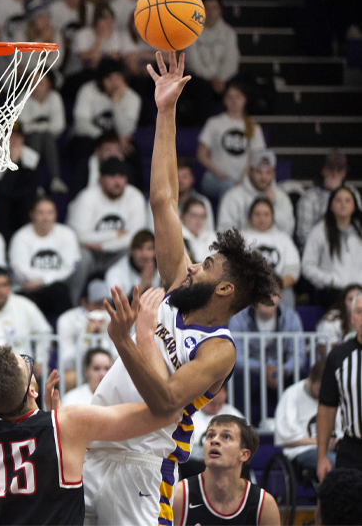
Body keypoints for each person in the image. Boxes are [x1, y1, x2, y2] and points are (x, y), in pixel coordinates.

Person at [85, 51, 277, 525]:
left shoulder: (219, 351)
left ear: (226, 290)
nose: (193, 266)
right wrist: (165, 110)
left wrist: (140, 337)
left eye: (207, 265)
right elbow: (163, 199)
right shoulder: (178, 283)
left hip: (140, 471)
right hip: (91, 442)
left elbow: (166, 400)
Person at [0, 345, 178, 525]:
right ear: (32, 391)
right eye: (27, 366)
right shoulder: (67, 424)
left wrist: (50, 417)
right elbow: (164, 413)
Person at [172, 415, 279, 525]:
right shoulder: (179, 496)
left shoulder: (264, 505)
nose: (214, 441)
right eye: (211, 435)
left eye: (226, 437)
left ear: (243, 454)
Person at [67, 157, 147, 278]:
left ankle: (130, 295)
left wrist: (103, 246)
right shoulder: (87, 198)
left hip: (118, 253)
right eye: (112, 177)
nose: (117, 182)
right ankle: (74, 297)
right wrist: (115, 234)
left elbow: (136, 238)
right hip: (90, 253)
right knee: (81, 257)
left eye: (121, 177)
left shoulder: (134, 197)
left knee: (138, 253)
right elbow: (78, 236)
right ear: (101, 179)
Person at [0, 266, 53, 370]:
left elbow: (44, 331)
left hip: (23, 370)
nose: (1, 291)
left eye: (5, 285)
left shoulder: (23, 304)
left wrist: (40, 361)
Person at [9, 197, 81, 314]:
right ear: (32, 215)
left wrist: (43, 281)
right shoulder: (21, 236)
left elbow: (69, 267)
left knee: (59, 290)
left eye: (50, 212)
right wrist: (44, 280)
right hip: (26, 288)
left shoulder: (67, 234)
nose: (45, 217)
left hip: (55, 286)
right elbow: (19, 269)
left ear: (56, 214)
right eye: (40, 213)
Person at [317, 292, 362, 480]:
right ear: (352, 318)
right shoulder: (339, 356)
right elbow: (327, 408)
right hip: (353, 451)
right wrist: (321, 457)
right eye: (359, 311)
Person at [197, 82, 265, 202]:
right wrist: (218, 172)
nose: (234, 101)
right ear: (224, 100)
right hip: (214, 178)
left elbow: (256, 157)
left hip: (244, 179)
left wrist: (243, 178)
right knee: (228, 186)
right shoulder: (214, 123)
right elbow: (201, 155)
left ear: (245, 99)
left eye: (238, 97)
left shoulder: (253, 126)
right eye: (230, 97)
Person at [183, 0, 240, 121]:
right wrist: (211, 78)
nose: (209, 12)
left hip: (223, 78)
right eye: (206, 8)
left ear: (220, 11)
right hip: (200, 78)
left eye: (213, 8)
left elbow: (231, 61)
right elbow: (193, 62)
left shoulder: (229, 33)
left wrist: (220, 78)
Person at [301, 186, 362, 302]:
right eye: (338, 200)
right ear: (331, 206)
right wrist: (330, 280)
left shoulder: (360, 231)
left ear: (354, 206)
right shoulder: (319, 231)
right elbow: (307, 265)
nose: (343, 204)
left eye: (348, 200)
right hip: (331, 292)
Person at [275, 360, 336, 473]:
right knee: (335, 461)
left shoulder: (332, 393)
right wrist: (320, 442)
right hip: (303, 450)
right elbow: (286, 438)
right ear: (310, 379)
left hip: (329, 447)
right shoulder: (291, 395)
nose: (324, 393)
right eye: (320, 389)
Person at [218, 150, 296, 236]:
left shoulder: (281, 197)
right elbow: (224, 232)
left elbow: (288, 231)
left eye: (268, 172)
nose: (264, 177)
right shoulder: (232, 197)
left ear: (274, 174)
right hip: (243, 246)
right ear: (249, 172)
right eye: (259, 172)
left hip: (274, 246)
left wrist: (273, 206)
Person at [241, 198, 301, 307]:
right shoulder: (240, 237)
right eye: (257, 214)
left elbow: (293, 269)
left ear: (272, 216)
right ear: (250, 216)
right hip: (249, 289)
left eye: (266, 214)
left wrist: (276, 287)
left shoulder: (283, 238)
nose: (262, 218)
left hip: (278, 289)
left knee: (287, 294)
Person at [57, 280, 116, 389]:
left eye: (107, 305)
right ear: (85, 303)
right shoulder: (68, 320)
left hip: (107, 370)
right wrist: (86, 338)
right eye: (98, 305)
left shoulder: (115, 318)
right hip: (79, 371)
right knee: (68, 377)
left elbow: (118, 357)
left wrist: (100, 338)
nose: (103, 310)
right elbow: (66, 363)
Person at [0, 126, 40, 239]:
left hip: (22, 204)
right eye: (9, 137)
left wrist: (16, 163)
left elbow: (30, 188)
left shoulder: (32, 158)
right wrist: (13, 163)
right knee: (1, 205)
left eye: (16, 137)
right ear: (1, 140)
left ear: (22, 140)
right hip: (3, 207)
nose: (13, 141)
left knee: (27, 203)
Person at [179, 387, 245, 479]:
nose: (216, 407)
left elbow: (246, 439)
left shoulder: (232, 413)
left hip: (226, 465)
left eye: (220, 403)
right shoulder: (189, 415)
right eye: (213, 403)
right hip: (195, 467)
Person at [296, 152, 360, 248]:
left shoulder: (352, 194)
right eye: (330, 169)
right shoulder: (309, 197)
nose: (334, 174)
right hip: (319, 251)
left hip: (348, 249)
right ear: (323, 170)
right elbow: (303, 236)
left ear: (344, 173)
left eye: (339, 170)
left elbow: (358, 225)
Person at [17, 74, 67, 193]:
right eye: (33, 83)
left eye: (40, 83)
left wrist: (37, 126)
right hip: (29, 139)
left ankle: (52, 181)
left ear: (49, 84)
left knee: (45, 137)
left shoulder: (55, 97)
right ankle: (37, 182)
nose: (36, 87)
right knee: (37, 137)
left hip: (53, 138)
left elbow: (58, 126)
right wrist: (43, 126)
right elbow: (22, 126)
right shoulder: (23, 97)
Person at [104, 230, 161, 297]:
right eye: (140, 248)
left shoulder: (163, 270)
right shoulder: (115, 273)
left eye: (149, 248)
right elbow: (115, 305)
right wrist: (142, 286)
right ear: (131, 251)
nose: (144, 254)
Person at [316, 283, 362, 358]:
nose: (355, 303)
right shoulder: (330, 321)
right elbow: (327, 357)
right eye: (351, 299)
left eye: (358, 299)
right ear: (343, 302)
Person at [182, 197, 218, 264]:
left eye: (202, 216)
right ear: (184, 215)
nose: (198, 220)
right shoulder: (175, 237)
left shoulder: (212, 237)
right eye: (194, 215)